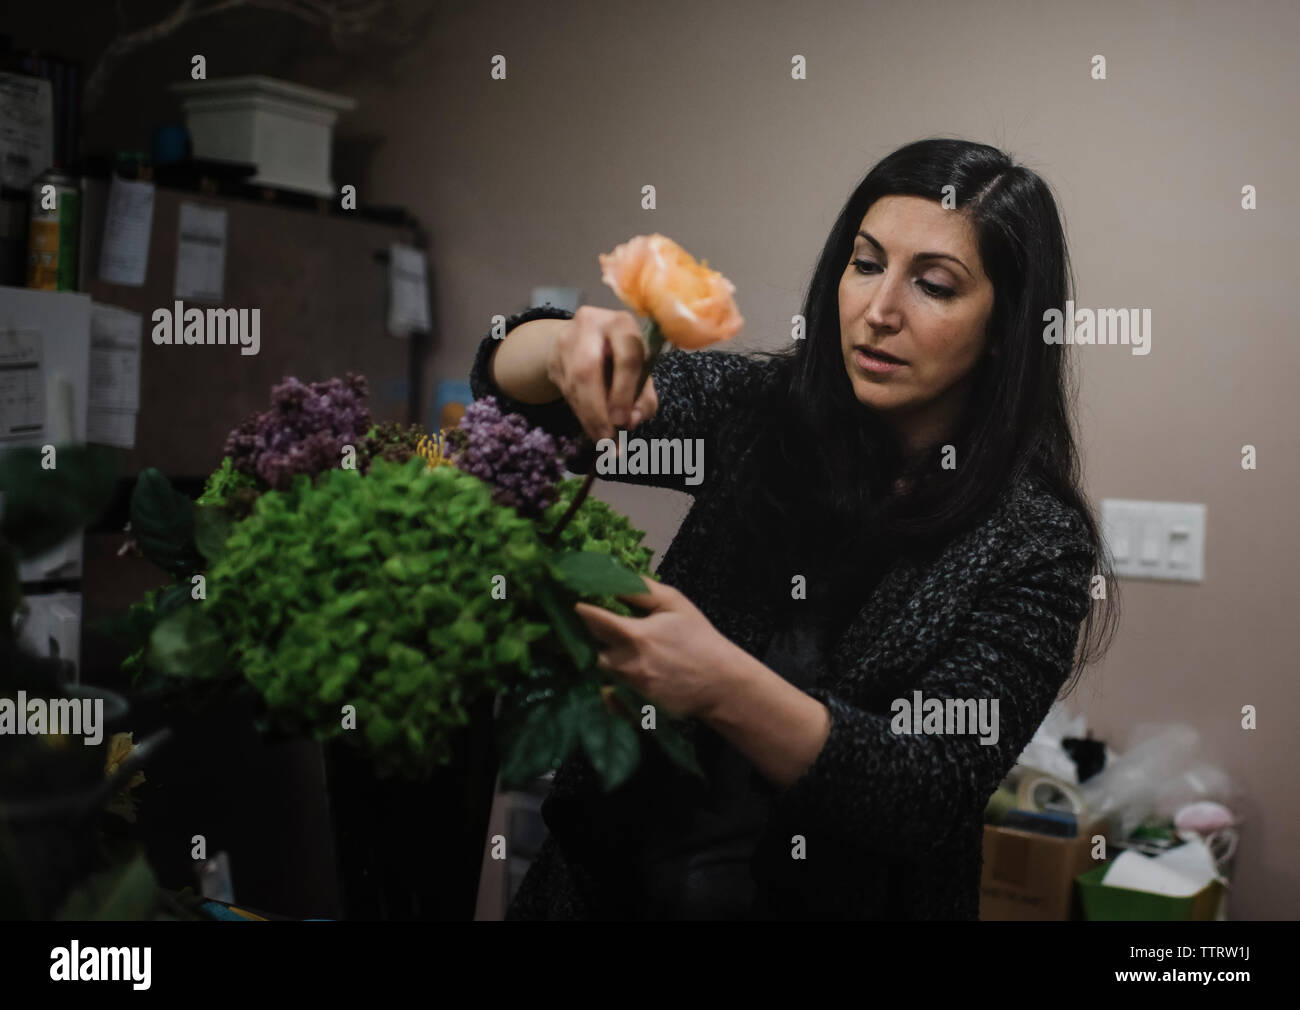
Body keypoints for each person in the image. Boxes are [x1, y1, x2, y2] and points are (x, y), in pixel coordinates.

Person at [468, 137, 1120, 920]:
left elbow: (925, 791)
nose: (879, 312)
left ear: (1007, 327)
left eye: (935, 286)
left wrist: (718, 683)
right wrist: (565, 345)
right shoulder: (767, 415)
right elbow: (513, 403)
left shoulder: (1035, 541)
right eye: (866, 263)